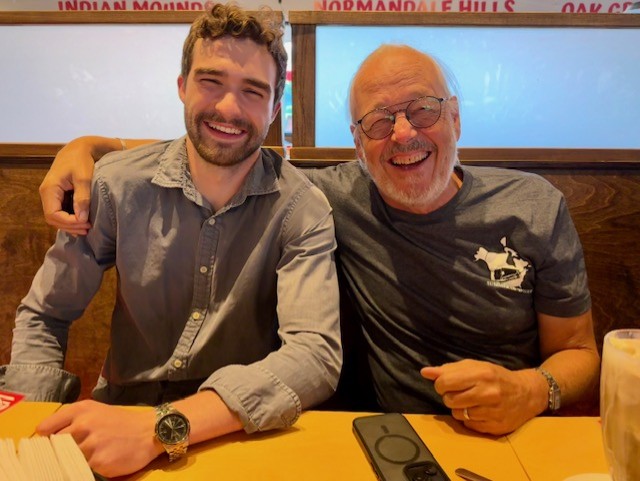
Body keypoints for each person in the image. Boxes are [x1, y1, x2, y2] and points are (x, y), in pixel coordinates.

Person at [37, 44, 600, 437]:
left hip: (515, 436)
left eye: (422, 110)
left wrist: (533, 390)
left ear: (455, 117)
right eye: (378, 121)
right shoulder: (324, 196)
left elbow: (580, 353)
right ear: (357, 143)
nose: (403, 134)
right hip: (373, 433)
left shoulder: (533, 205)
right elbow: (222, 144)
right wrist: (93, 146)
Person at [0, 4, 341, 478]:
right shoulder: (116, 186)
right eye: (211, 81)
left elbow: (314, 355)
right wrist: (29, 430)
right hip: (118, 416)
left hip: (232, 429)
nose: (229, 108)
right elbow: (46, 313)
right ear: (182, 86)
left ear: (275, 104)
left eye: (252, 91)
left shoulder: (301, 208)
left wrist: (161, 427)